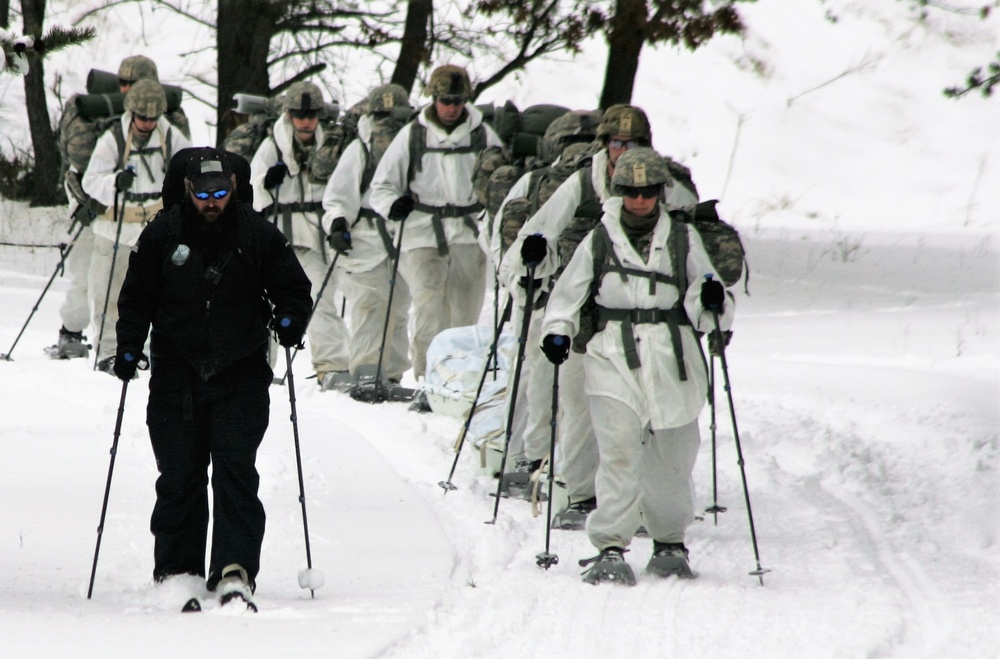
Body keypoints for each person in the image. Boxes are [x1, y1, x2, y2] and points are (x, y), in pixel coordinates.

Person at [113, 147, 313, 604]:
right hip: (175, 374)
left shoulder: (257, 233)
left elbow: (294, 289)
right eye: (203, 193)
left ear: (235, 189)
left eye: (220, 192)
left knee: (234, 471)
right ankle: (178, 573)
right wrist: (128, 347)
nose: (212, 202)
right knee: (180, 474)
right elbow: (136, 297)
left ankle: (233, 569)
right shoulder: (161, 233)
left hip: (240, 371)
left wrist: (289, 321)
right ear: (187, 190)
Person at [537, 147, 734, 584]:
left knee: (672, 455)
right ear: (619, 192)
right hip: (612, 356)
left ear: (660, 193)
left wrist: (713, 303)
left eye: (647, 192)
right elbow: (567, 294)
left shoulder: (683, 238)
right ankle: (610, 545)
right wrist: (558, 331)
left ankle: (668, 540)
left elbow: (707, 292)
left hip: (672, 356)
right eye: (631, 191)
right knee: (619, 451)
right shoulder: (600, 237)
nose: (640, 200)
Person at [498, 105, 697, 520]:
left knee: (656, 416)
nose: (623, 151)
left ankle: (649, 503)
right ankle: (582, 494)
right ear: (603, 143)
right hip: (585, 317)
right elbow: (539, 231)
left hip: (657, 324)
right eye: (616, 143)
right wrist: (533, 254)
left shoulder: (669, 187)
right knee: (580, 407)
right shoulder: (581, 183)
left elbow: (694, 244)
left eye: (634, 144)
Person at [368, 64, 504, 405]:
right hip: (422, 233)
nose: (452, 107)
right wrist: (392, 205)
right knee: (429, 308)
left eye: (458, 100)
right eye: (446, 100)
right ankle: (428, 385)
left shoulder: (482, 135)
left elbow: (504, 180)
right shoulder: (414, 134)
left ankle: (459, 383)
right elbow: (381, 185)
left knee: (465, 312)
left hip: (469, 232)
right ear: (434, 98)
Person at [50, 55, 178, 360]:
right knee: (89, 279)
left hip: (140, 217)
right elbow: (81, 166)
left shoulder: (167, 123)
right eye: (124, 83)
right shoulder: (98, 117)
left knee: (145, 285)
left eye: (134, 84)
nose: (127, 90)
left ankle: (137, 346)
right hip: (94, 209)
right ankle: (76, 331)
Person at [81, 77, 191, 373]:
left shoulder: (170, 136)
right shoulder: (113, 137)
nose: (147, 123)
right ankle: (107, 351)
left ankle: (148, 350)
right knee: (109, 293)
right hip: (115, 225)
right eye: (142, 117)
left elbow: (187, 168)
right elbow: (90, 182)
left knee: (155, 293)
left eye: (153, 118)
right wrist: (115, 181)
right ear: (132, 112)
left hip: (154, 225)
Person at [250, 81, 350, 386]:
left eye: (311, 114)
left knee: (321, 300)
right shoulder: (272, 145)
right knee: (268, 303)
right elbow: (252, 192)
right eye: (299, 114)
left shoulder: (331, 144)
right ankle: (260, 365)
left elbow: (343, 183)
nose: (305, 120)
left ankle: (331, 365)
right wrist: (269, 180)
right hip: (281, 237)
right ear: (290, 115)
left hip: (316, 238)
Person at [321, 83, 414, 396]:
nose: (386, 121)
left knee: (400, 307)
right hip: (365, 240)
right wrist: (336, 224)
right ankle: (365, 370)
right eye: (381, 114)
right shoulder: (359, 148)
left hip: (406, 237)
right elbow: (337, 196)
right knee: (369, 306)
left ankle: (392, 373)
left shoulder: (415, 145)